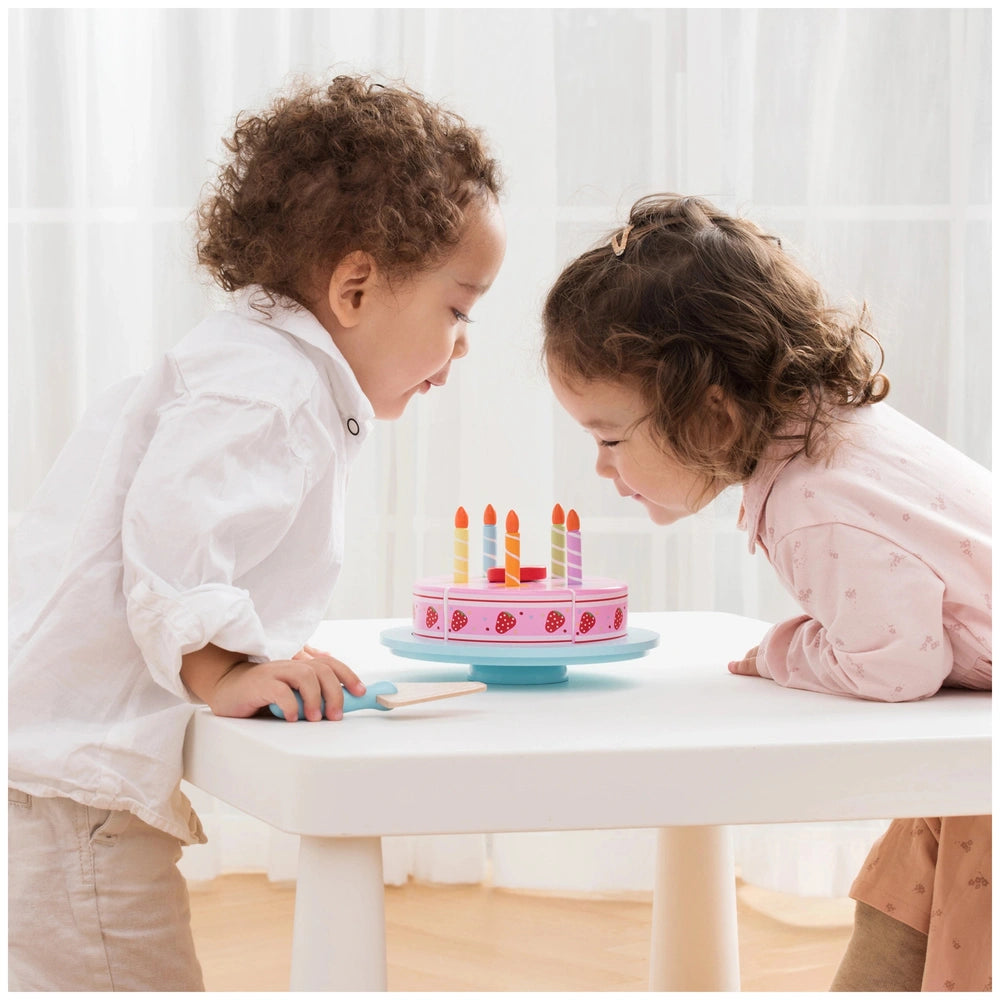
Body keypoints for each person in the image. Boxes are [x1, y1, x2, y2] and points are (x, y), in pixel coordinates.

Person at [8, 74, 506, 991]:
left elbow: (196, 533)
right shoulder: (267, 389)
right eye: (459, 309)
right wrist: (224, 669)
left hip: (57, 779)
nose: (465, 342)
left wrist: (257, 647)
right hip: (70, 792)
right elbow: (171, 541)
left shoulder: (253, 363)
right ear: (355, 287)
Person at [541, 194, 990, 992]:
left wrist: (785, 649)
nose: (603, 468)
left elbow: (897, 666)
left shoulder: (812, 504)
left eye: (609, 438)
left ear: (711, 418)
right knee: (901, 901)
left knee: (937, 905)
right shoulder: (840, 435)